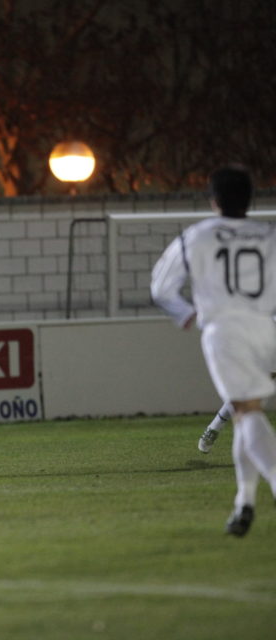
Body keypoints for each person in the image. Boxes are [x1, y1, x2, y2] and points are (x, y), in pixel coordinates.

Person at [151, 165, 276, 536]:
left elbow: (161, 287)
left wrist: (187, 313)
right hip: (266, 328)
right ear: (250, 200)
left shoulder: (198, 236)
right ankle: (244, 502)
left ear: (214, 200)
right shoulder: (269, 235)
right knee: (245, 412)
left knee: (247, 413)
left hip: (226, 332)